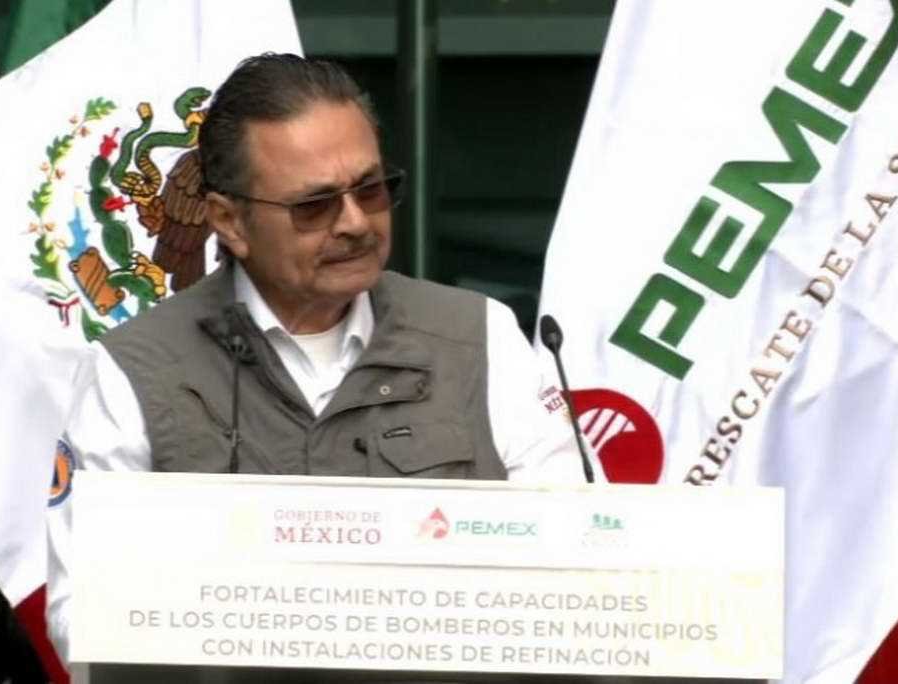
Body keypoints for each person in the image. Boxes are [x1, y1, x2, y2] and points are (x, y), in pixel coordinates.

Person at [45, 53, 585, 665]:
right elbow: (81, 616)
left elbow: (575, 567)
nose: (354, 223)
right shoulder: (133, 371)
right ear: (229, 221)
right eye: (314, 206)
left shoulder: (479, 337)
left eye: (370, 190)